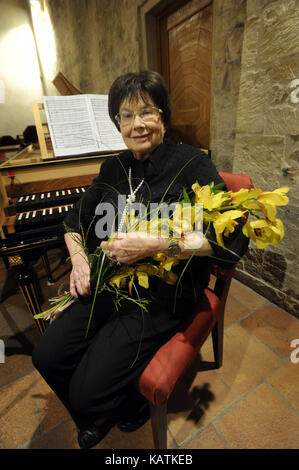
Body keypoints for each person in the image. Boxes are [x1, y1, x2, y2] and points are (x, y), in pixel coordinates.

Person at [32, 71, 248, 449]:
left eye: (146, 112)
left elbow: (230, 239)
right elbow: (74, 221)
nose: (137, 125)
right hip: (112, 282)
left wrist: (157, 244)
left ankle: (126, 408)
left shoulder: (192, 164)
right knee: (46, 356)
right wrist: (80, 260)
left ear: (163, 115)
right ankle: (104, 410)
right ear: (117, 122)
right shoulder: (113, 168)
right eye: (126, 116)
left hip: (164, 295)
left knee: (85, 391)